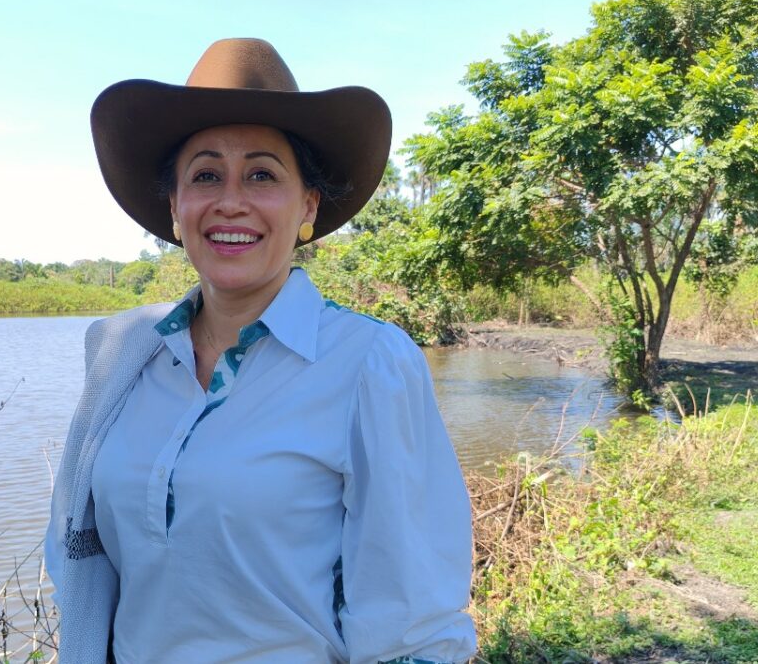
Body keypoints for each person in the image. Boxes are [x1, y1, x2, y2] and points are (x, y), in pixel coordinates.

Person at [46, 38, 475, 664]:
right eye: (205, 174)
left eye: (262, 174)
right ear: (174, 208)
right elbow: (90, 563)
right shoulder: (124, 357)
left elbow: (414, 623)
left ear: (307, 205)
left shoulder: (369, 364)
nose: (230, 200)